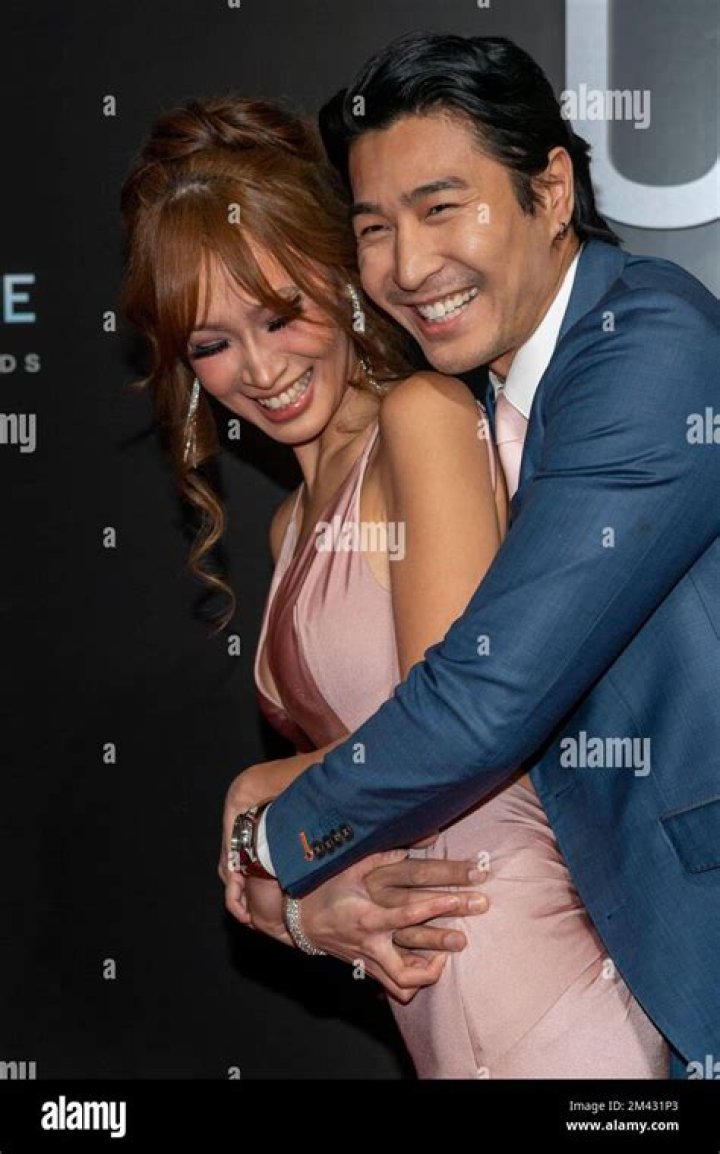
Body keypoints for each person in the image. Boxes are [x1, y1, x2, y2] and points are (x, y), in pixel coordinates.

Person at [228, 34, 720, 1078]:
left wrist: (267, 841)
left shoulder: (653, 345)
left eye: (442, 208)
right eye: (375, 228)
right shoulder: (487, 400)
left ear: (552, 191)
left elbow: (489, 698)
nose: (407, 268)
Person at [120, 94, 500, 1014]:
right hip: (433, 1002)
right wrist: (298, 910)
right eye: (213, 343)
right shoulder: (289, 525)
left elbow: (450, 735)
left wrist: (258, 791)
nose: (260, 370)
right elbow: (305, 869)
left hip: (513, 954)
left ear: (341, 276)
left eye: (280, 315)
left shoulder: (422, 421)